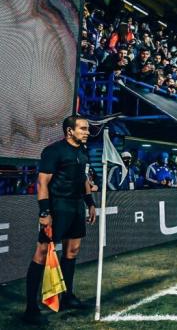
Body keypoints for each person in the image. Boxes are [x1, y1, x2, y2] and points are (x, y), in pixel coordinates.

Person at [23, 116, 95, 324]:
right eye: (83, 128)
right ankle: (31, 308)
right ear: (69, 131)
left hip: (76, 207)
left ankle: (67, 297)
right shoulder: (53, 151)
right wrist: (44, 213)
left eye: (87, 129)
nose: (86, 131)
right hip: (58, 207)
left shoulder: (82, 151)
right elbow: (42, 183)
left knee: (72, 251)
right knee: (42, 253)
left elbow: (83, 179)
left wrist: (90, 203)